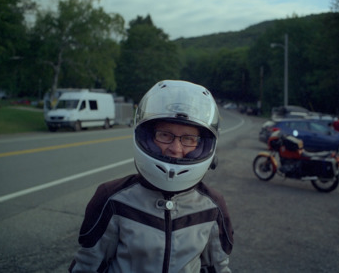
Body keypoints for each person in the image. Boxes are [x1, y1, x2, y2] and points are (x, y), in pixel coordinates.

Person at [69, 80, 234, 273]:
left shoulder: (212, 206)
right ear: (148, 136)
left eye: (189, 139)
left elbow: (217, 267)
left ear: (202, 146)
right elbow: (88, 265)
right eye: (164, 135)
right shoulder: (112, 198)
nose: (175, 149)